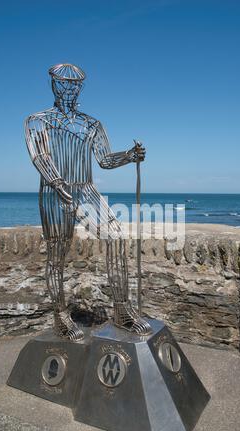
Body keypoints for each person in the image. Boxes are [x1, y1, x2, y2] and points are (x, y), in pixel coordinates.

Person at [25, 63, 152, 341]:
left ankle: (122, 310)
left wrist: (129, 156)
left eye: (74, 85)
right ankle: (60, 314)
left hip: (87, 191)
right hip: (53, 191)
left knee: (116, 237)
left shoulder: (91, 124)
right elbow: (40, 156)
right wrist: (57, 184)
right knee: (57, 255)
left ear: (80, 87)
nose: (68, 89)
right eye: (62, 83)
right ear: (53, 84)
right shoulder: (38, 120)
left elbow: (105, 161)